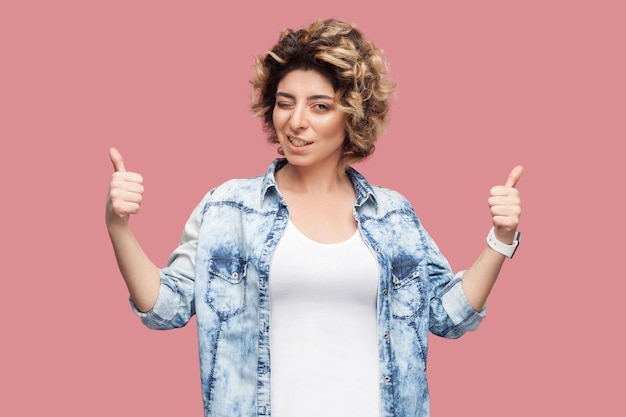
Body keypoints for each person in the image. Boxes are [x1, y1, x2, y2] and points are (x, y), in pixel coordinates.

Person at [106, 18, 522, 417]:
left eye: (319, 106)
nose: (296, 121)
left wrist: (501, 238)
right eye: (285, 104)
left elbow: (448, 316)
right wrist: (118, 227)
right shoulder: (228, 208)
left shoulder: (393, 215)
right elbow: (165, 308)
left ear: (353, 117)